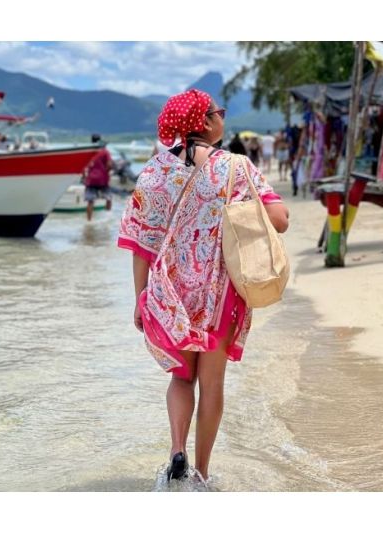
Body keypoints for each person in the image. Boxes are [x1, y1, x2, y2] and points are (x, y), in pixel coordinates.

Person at [118, 89, 289, 489]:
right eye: (220, 112)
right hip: (218, 292)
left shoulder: (155, 171)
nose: (223, 118)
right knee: (212, 385)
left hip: (170, 292)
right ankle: (201, 474)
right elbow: (279, 220)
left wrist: (141, 298)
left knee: (182, 379)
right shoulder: (236, 167)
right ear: (206, 121)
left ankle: (176, 449)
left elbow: (141, 241)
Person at [83, 133, 113, 221]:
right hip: (102, 179)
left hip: (91, 179)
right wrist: (106, 172)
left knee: (90, 201)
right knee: (108, 198)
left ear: (91, 141)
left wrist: (84, 177)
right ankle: (107, 219)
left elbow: (83, 166)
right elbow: (109, 165)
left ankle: (89, 221)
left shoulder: (89, 151)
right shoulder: (105, 151)